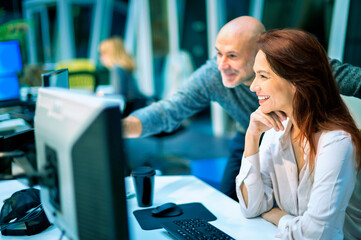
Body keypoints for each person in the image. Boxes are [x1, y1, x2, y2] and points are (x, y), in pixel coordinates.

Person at [122, 16, 361, 200]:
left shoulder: (297, 66)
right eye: (218, 54)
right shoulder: (213, 76)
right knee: (229, 200)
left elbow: (356, 80)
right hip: (250, 135)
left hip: (302, 137)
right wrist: (119, 127)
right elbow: (169, 110)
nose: (221, 65)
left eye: (232, 56)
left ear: (259, 55)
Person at [236, 29, 361, 239]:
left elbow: (318, 235)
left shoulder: (337, 141)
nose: (253, 87)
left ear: (297, 81)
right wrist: (251, 137)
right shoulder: (276, 132)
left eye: (263, 76)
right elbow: (252, 207)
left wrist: (280, 218)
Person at [98, 36, 146, 115]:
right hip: (138, 105)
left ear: (111, 53)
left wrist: (102, 95)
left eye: (103, 53)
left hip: (132, 109)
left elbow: (119, 96)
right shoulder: (124, 67)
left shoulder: (117, 68)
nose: (101, 57)